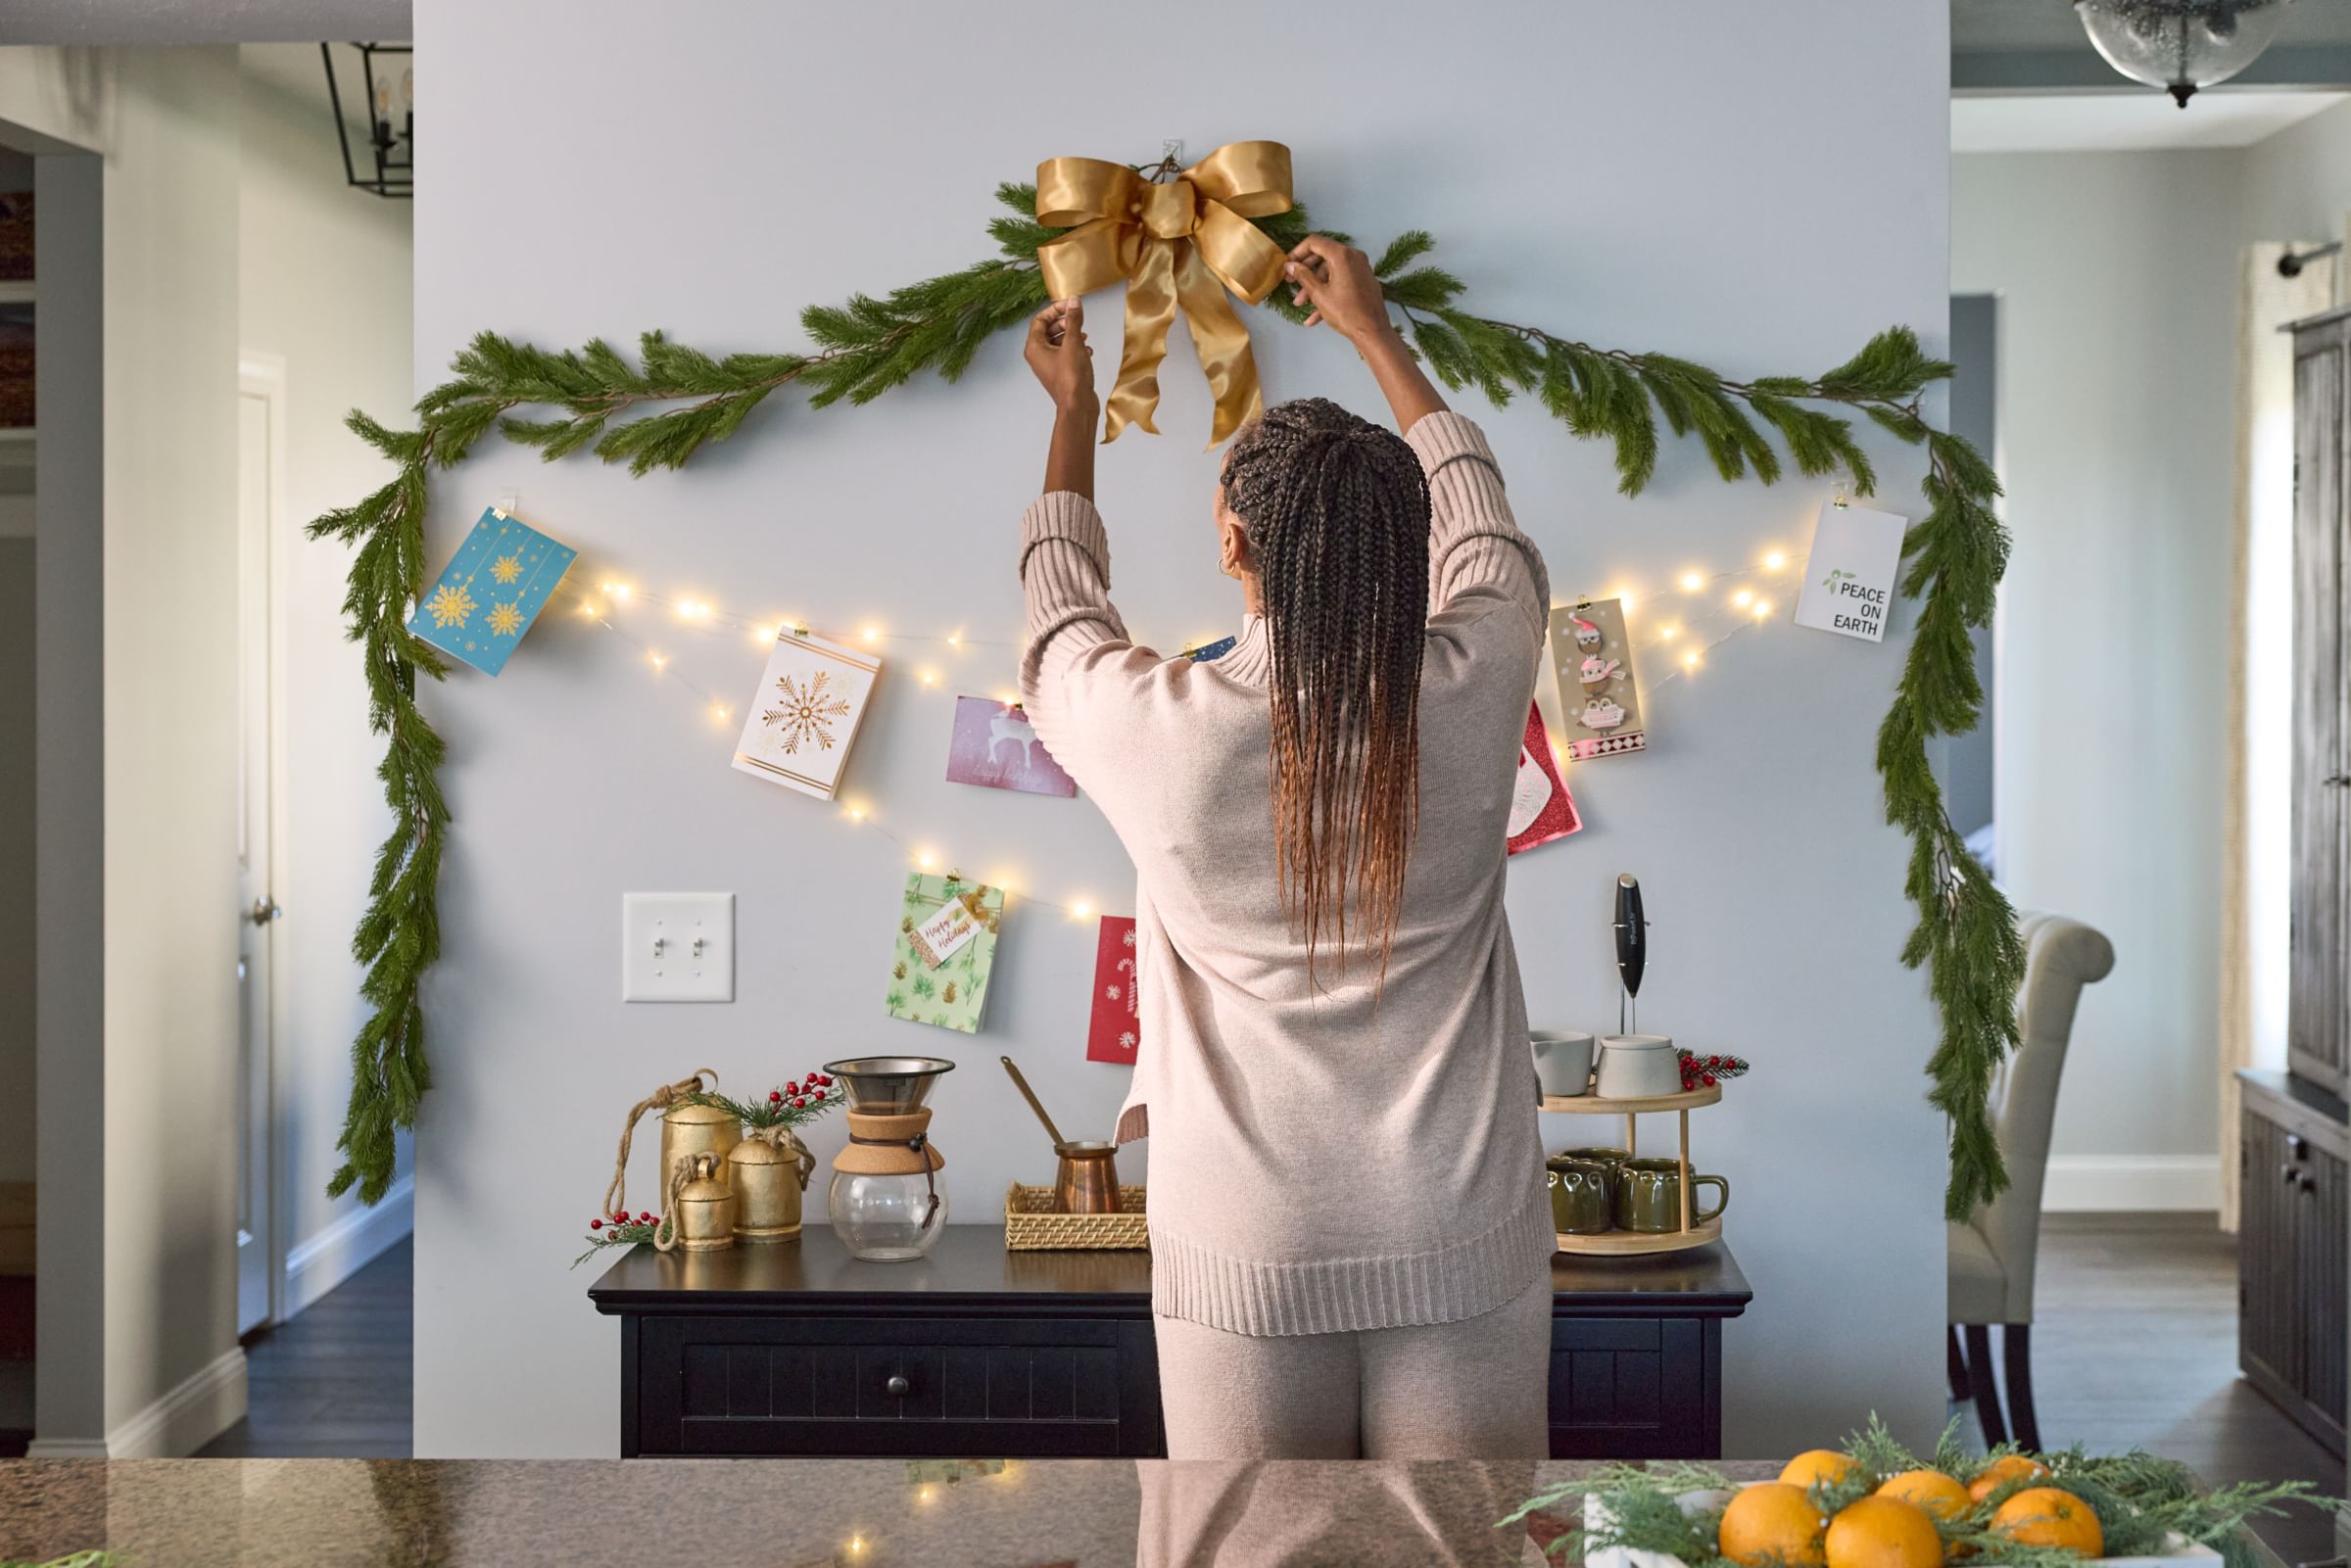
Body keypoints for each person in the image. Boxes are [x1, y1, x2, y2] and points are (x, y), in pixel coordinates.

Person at [1016, 236, 1554, 1459]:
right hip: (1462, 1224)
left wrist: (1076, 419)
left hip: (1245, 1238)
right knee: (1471, 1560)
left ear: (1235, 547)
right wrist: (1375, 333)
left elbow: (1057, 615)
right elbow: (1487, 528)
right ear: (1406, 552)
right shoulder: (1473, 686)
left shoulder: (1169, 731)